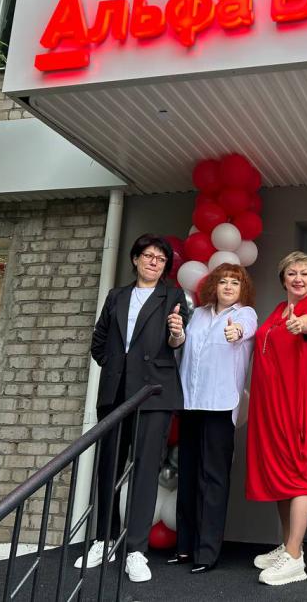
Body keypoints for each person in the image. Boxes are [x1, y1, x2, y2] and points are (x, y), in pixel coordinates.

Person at [77, 234, 189, 583]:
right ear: (135, 259)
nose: (154, 262)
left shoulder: (173, 296)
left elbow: (176, 341)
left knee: (145, 470)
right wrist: (116, 367)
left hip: (154, 393)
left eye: (161, 259)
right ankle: (104, 539)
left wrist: (176, 333)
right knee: (108, 467)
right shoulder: (116, 296)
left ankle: (136, 550)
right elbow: (99, 342)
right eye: (148, 256)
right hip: (115, 393)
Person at [169, 264, 258, 574]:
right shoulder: (198, 314)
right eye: (223, 281)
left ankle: (207, 553)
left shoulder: (245, 314)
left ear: (242, 289)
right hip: (191, 403)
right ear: (214, 286)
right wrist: (177, 334)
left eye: (235, 282)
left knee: (214, 479)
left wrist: (236, 332)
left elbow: (244, 330)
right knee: (187, 476)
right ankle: (184, 548)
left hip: (220, 406)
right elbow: (179, 346)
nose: (229, 286)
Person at [245, 251, 307, 586]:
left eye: (304, 273)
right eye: (292, 273)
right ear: (283, 279)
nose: (298, 279)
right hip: (268, 406)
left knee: (298, 475)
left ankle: (294, 559)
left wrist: (300, 324)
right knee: (279, 475)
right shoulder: (278, 309)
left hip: (294, 404)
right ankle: (291, 545)